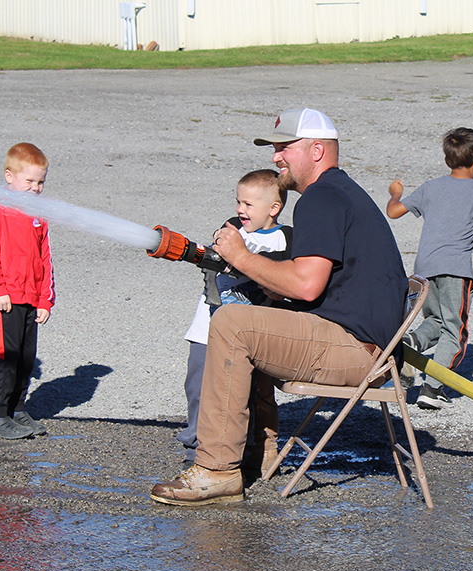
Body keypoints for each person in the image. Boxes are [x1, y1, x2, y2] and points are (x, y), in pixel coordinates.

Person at [151, 107, 409, 506]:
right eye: (275, 148)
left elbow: (306, 286)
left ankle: (217, 470)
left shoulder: (321, 198)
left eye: (285, 147)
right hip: (363, 344)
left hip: (356, 350)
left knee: (232, 323)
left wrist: (238, 254)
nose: (276, 157)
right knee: (250, 320)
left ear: (318, 150)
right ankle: (258, 450)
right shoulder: (339, 194)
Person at [386, 127, 473, 409]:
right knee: (455, 331)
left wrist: (395, 193)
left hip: (424, 268)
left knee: (435, 321)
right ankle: (432, 389)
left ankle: (411, 344)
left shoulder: (430, 187)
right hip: (456, 271)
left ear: (448, 160)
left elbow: (393, 212)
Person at [179, 169, 292, 471]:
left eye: (249, 204)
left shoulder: (284, 240)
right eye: (238, 202)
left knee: (244, 395)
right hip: (206, 328)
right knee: (199, 389)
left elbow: (282, 273)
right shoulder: (230, 232)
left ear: (274, 209)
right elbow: (217, 240)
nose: (240, 210)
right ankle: (196, 452)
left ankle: (243, 455)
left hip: (248, 335)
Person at [0, 143, 54, 439]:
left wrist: (45, 299)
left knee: (25, 356)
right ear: (9, 176)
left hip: (31, 298)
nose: (35, 188)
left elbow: (45, 257)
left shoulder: (40, 213)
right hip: (4, 299)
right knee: (5, 355)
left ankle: (18, 409)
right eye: (30, 181)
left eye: (41, 182)